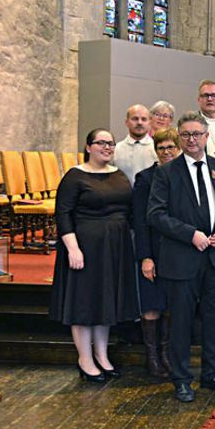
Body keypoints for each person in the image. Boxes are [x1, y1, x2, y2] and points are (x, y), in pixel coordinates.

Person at [147, 111, 215, 402]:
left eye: (197, 134)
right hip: (182, 259)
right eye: (186, 134)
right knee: (181, 322)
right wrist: (190, 234)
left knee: (214, 320)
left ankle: (212, 375)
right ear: (179, 137)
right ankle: (181, 379)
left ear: (206, 137)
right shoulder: (166, 172)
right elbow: (155, 215)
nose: (191, 139)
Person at [49, 128, 138, 383]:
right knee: (84, 304)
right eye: (101, 143)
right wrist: (73, 248)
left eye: (110, 143)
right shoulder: (75, 176)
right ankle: (85, 359)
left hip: (115, 248)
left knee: (105, 303)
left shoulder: (118, 174)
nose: (107, 147)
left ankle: (102, 356)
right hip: (85, 248)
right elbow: (63, 214)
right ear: (88, 147)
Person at [133, 127, 181, 378]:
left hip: (177, 253)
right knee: (152, 305)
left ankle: (166, 355)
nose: (166, 151)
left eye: (170, 146)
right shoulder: (145, 178)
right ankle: (152, 358)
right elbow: (140, 222)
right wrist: (145, 257)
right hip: (153, 250)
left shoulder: (185, 175)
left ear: (178, 148)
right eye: (161, 147)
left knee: (171, 306)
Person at [114, 104, 157, 184]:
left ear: (149, 123)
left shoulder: (157, 149)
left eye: (144, 119)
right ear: (126, 122)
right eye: (135, 119)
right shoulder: (116, 150)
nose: (139, 123)